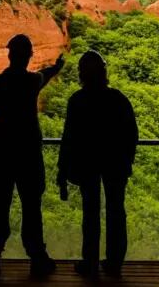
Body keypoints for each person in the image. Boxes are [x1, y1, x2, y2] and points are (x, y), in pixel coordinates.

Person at [0, 34, 64, 279]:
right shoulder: (32, 82)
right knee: (32, 209)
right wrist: (57, 67)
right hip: (29, 156)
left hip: (1, 156)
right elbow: (45, 74)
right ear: (28, 56)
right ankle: (38, 259)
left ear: (9, 55)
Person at [57, 50, 138, 278]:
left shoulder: (77, 100)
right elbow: (132, 133)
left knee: (90, 213)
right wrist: (126, 160)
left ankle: (90, 263)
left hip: (87, 163)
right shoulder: (118, 98)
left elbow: (69, 139)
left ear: (82, 74)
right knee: (116, 212)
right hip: (115, 163)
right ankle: (114, 263)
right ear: (104, 72)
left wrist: (63, 172)